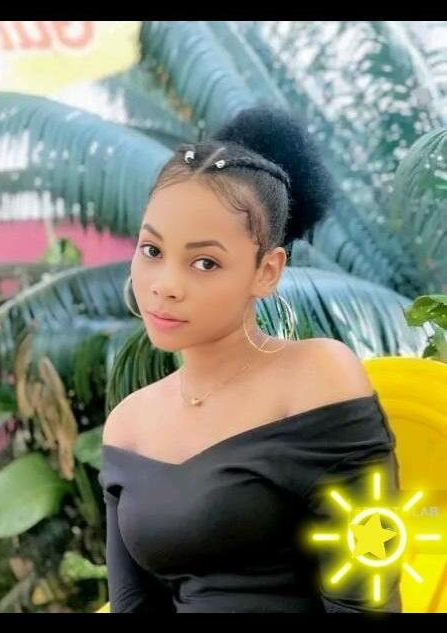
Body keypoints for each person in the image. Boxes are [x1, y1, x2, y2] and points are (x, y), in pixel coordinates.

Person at [98, 105, 402, 613]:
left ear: (267, 271)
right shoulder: (128, 424)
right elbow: (132, 603)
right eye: (152, 251)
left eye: (204, 262)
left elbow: (366, 595)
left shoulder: (316, 377)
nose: (165, 285)